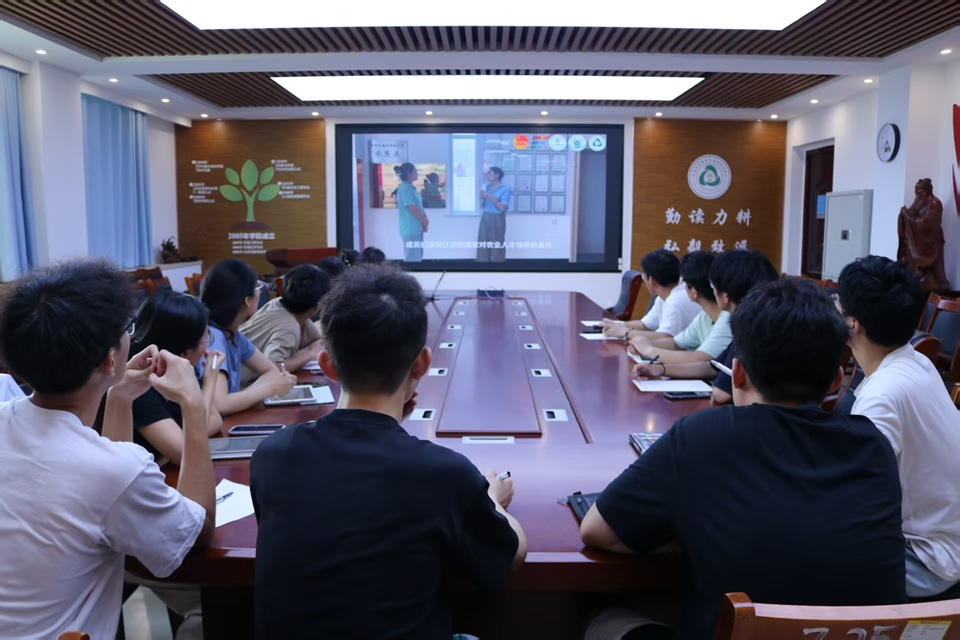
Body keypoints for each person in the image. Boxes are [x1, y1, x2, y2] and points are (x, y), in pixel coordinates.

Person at [581, 278, 906, 640]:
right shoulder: (874, 446)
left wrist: (693, 527)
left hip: (741, 629)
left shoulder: (702, 436)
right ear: (835, 381)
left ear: (736, 373)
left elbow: (597, 531)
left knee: (602, 618)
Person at [250, 264, 527, 639]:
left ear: (328, 365)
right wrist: (491, 499)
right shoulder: (444, 474)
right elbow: (512, 554)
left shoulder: (272, 454)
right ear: (422, 363)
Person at [0, 258, 215, 640]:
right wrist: (193, 406)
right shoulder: (114, 471)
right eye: (126, 329)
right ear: (108, 358)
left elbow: (105, 477)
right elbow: (196, 531)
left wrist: (119, 397)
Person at [840, 255, 960, 598]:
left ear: (853, 325)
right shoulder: (917, 360)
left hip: (927, 561)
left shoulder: (882, 395)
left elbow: (856, 501)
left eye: (838, 304)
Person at [631, 250, 778, 404]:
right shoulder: (763, 320)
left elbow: (721, 393)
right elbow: (712, 367)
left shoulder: (743, 326)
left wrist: (648, 349)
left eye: (713, 284)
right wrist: (662, 369)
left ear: (725, 296)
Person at [131, 291, 223, 465]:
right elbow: (185, 455)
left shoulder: (174, 367)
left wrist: (177, 446)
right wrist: (210, 381)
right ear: (184, 352)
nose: (206, 348)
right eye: (206, 338)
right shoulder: (137, 383)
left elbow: (215, 419)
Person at [199, 258, 297, 415]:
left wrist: (245, 398)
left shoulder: (233, 334)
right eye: (257, 287)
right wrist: (270, 388)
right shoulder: (212, 338)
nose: (259, 291)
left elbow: (271, 371)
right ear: (247, 301)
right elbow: (220, 404)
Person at [628, 251, 731, 364]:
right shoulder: (705, 316)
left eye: (683, 281)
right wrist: (644, 344)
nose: (681, 286)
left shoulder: (728, 319)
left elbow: (700, 358)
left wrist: (649, 350)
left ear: (694, 292)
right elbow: (676, 343)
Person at [240, 265, 329, 385]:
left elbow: (317, 340)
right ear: (317, 307)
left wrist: (311, 348)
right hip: (239, 385)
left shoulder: (278, 304)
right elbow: (273, 367)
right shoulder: (289, 327)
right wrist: (309, 355)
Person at [602, 250, 700, 341]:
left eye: (644, 276)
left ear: (651, 281)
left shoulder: (676, 300)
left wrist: (626, 332)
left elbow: (665, 337)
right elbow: (645, 325)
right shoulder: (665, 296)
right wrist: (618, 325)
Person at [897, 178, 948, 291]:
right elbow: (911, 212)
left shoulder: (935, 203)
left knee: (936, 269)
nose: (917, 194)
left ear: (927, 191)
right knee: (909, 245)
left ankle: (932, 280)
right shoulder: (919, 200)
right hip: (917, 238)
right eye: (916, 191)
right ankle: (916, 274)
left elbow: (927, 223)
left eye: (919, 191)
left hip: (931, 240)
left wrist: (908, 217)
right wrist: (904, 213)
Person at [395, 162, 430, 262]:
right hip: (410, 229)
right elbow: (412, 208)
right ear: (408, 173)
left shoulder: (411, 188)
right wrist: (424, 221)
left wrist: (424, 220)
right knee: (412, 257)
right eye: (415, 171)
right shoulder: (405, 189)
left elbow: (419, 207)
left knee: (417, 256)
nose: (417, 173)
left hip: (416, 228)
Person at [477, 166, 511, 262]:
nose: (487, 175)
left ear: (497, 175)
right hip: (486, 216)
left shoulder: (505, 189)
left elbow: (503, 207)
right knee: (483, 241)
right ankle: (483, 263)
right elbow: (483, 205)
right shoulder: (487, 188)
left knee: (497, 241)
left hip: (497, 218)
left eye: (490, 173)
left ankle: (497, 264)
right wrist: (482, 198)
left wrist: (491, 197)